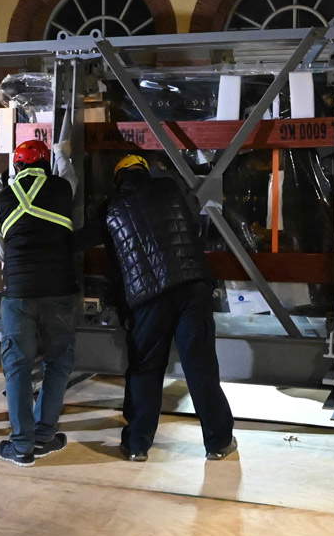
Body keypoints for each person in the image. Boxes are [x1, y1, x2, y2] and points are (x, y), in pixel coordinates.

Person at [99, 153, 237, 462]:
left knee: (145, 370)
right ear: (145, 171)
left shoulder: (110, 208)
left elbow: (115, 267)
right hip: (192, 287)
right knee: (200, 367)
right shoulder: (170, 189)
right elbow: (193, 229)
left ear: (118, 178)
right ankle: (218, 442)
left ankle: (136, 445)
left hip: (147, 299)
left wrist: (121, 310)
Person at [0, 138, 79, 466]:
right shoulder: (63, 188)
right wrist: (60, 150)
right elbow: (69, 170)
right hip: (59, 291)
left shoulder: (1, 200)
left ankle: (22, 445)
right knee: (58, 362)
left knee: (17, 367)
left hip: (19, 294)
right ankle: (44, 435)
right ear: (44, 165)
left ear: (17, 166)